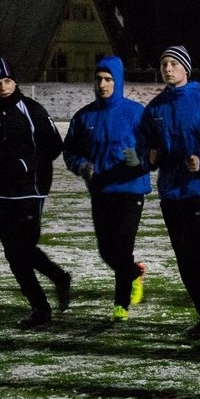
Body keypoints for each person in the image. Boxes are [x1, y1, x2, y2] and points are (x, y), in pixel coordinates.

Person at [0, 57, 71, 327]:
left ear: (15, 81)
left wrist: (27, 164)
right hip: (3, 193)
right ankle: (42, 307)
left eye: (7, 81)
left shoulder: (32, 110)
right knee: (13, 253)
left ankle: (56, 280)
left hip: (32, 190)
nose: (3, 87)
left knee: (22, 248)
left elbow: (54, 146)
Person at [137, 45, 200, 339]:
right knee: (185, 258)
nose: (168, 69)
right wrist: (150, 158)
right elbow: (141, 148)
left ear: (186, 67)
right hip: (171, 194)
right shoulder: (155, 108)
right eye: (163, 65)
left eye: (173, 63)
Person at [63, 56, 151, 322]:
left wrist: (137, 160)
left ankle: (120, 305)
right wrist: (81, 166)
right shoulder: (84, 117)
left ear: (118, 80)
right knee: (106, 251)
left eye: (109, 79)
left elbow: (151, 149)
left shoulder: (136, 113)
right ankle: (135, 273)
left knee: (122, 248)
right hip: (100, 190)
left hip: (130, 188)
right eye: (99, 79)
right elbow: (70, 151)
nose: (103, 84)